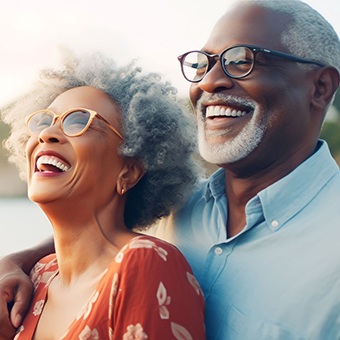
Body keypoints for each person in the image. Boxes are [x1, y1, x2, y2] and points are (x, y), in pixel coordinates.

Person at [1, 0, 340, 338]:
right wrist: (20, 260)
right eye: (203, 64)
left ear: (321, 87)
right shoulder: (173, 208)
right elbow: (91, 233)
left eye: (241, 61)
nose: (209, 82)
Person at [0, 50, 205, 339]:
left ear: (129, 171)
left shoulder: (145, 263)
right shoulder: (36, 276)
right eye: (45, 121)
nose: (48, 134)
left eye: (78, 121)